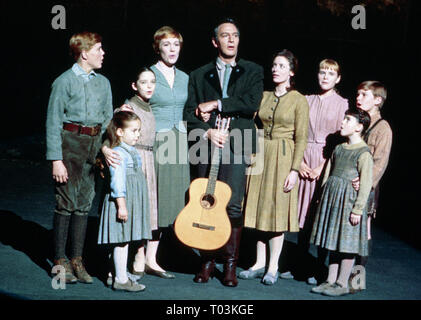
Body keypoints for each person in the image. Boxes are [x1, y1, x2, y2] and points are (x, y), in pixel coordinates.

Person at [183, 18, 264, 287]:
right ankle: (207, 261)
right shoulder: (198, 74)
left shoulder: (253, 71)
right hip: (207, 144)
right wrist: (207, 132)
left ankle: (230, 263)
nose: (231, 40)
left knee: (232, 204)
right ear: (214, 41)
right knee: (206, 201)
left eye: (235, 35)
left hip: (237, 142)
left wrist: (216, 103)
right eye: (225, 36)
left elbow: (250, 103)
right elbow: (189, 113)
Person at [46, 31, 113, 284]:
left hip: (94, 144)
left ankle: (77, 258)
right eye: (99, 49)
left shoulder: (103, 82)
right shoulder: (64, 81)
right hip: (69, 143)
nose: (103, 53)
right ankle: (60, 260)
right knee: (66, 201)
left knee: (84, 202)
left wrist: (106, 147)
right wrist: (56, 159)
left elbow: (107, 119)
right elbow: (53, 121)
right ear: (84, 53)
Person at [239, 50, 309, 285]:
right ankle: (258, 263)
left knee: (276, 212)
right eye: (273, 65)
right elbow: (252, 121)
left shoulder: (299, 99)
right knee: (259, 209)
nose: (275, 69)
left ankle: (273, 266)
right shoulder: (264, 95)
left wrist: (294, 169)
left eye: (280, 66)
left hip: (282, 156)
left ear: (291, 71)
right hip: (261, 153)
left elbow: (301, 138)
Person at [280, 59, 348, 283]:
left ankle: (317, 267)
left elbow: (342, 142)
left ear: (338, 78)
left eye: (331, 73)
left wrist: (322, 167)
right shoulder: (305, 100)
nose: (325, 76)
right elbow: (293, 132)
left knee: (320, 215)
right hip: (302, 156)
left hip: (326, 160)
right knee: (301, 215)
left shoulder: (343, 104)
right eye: (322, 72)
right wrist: (299, 163)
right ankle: (297, 263)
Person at [102, 68, 160, 283]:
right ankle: (114, 271)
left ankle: (125, 267)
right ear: (134, 85)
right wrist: (106, 149)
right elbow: (113, 133)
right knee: (122, 225)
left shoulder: (148, 106)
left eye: (152, 82)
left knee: (137, 218)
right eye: (144, 82)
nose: (149, 86)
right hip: (131, 160)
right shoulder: (128, 108)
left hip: (144, 158)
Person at [310, 109, 373, 296]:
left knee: (347, 244)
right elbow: (328, 174)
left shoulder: (363, 153)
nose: (343, 122)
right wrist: (322, 194)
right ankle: (329, 280)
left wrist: (358, 209)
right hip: (333, 200)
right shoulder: (338, 148)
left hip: (349, 202)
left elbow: (366, 183)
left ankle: (342, 283)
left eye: (348, 120)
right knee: (333, 241)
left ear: (359, 127)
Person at [98, 111, 151, 292]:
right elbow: (117, 182)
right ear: (120, 132)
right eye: (134, 131)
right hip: (121, 201)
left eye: (139, 131)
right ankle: (120, 279)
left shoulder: (130, 150)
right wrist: (121, 206)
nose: (138, 134)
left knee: (124, 239)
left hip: (130, 200)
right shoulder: (118, 153)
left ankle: (116, 273)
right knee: (120, 240)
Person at [350, 81, 392, 292]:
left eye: (364, 95)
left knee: (363, 231)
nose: (358, 98)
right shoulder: (359, 122)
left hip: (365, 187)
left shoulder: (382, 128)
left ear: (377, 100)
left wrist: (365, 182)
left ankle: (357, 279)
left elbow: (380, 162)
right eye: (357, 94)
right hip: (349, 184)